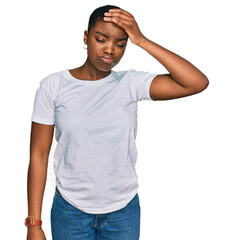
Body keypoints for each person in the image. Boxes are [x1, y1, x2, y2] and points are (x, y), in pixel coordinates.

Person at [25, 4, 209, 240]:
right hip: (70, 210)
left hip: (123, 211)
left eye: (120, 44)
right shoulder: (53, 86)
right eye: (101, 39)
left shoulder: (130, 84)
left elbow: (196, 82)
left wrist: (141, 40)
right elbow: (38, 155)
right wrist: (34, 224)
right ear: (86, 37)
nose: (110, 49)